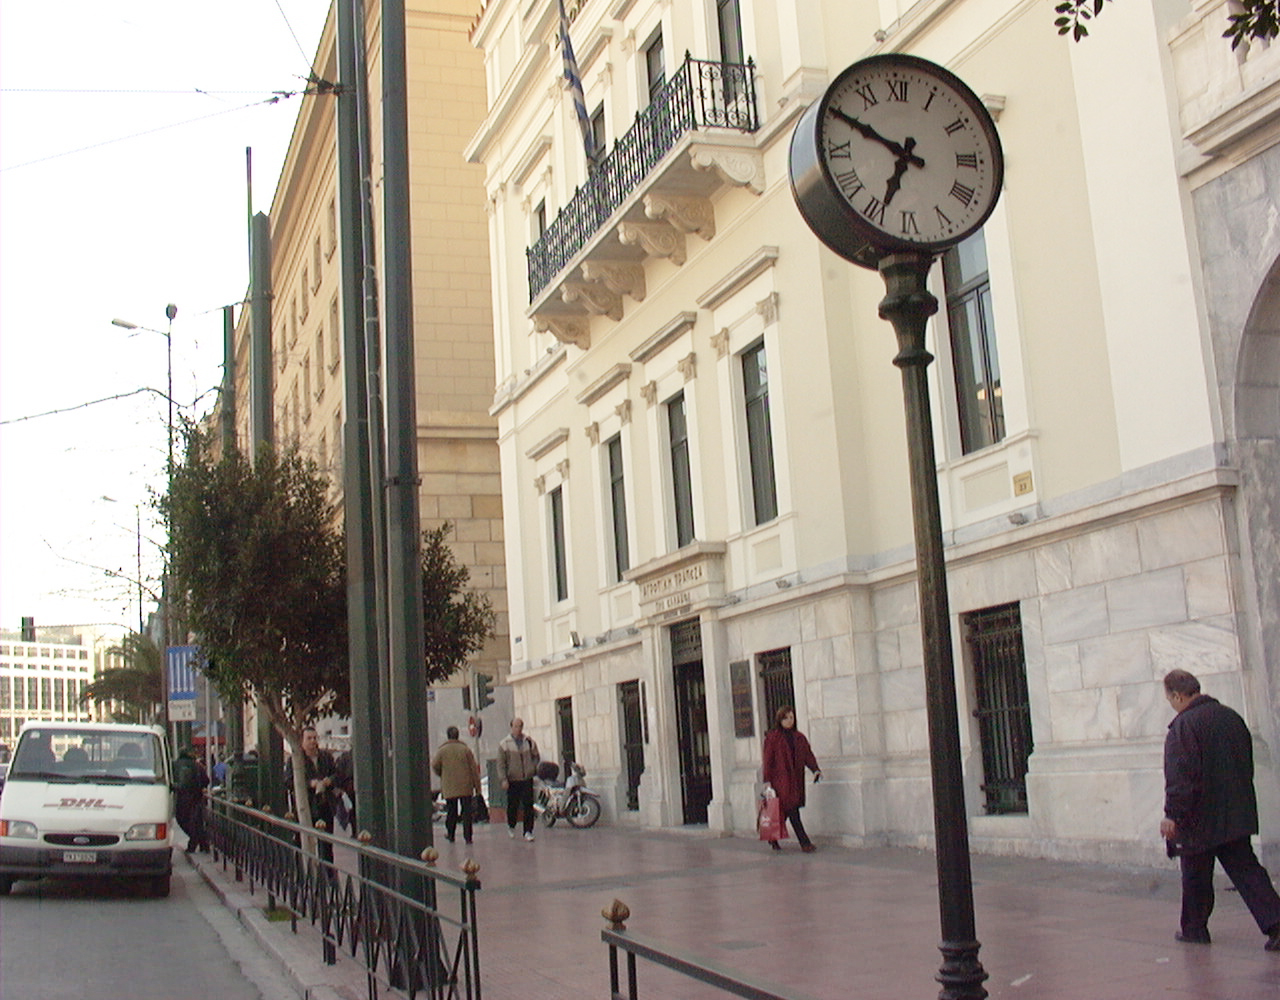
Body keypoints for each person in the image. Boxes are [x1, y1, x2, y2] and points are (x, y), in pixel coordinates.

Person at [1161, 669, 1280, 950]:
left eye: (1169, 698)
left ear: (1178, 695)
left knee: (1195, 875)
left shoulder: (1183, 727)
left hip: (1199, 817)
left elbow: (1181, 777)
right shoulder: (1231, 717)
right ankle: (1276, 923)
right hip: (1235, 811)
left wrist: (1172, 814)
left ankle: (1194, 928)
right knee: (1247, 871)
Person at [761, 705, 822, 853]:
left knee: (785, 811)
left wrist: (815, 769)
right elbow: (768, 761)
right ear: (779, 720)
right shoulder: (773, 737)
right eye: (786, 718)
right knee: (792, 810)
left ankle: (773, 838)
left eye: (791, 717)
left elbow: (807, 755)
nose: (789, 721)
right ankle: (805, 843)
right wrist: (767, 783)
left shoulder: (799, 737)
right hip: (780, 782)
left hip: (795, 780)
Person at [286, 726, 338, 862]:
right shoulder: (295, 759)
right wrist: (310, 784)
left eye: (315, 738)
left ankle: (328, 876)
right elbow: (288, 781)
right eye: (309, 738)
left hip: (324, 805)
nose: (313, 741)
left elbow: (337, 774)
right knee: (301, 841)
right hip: (306, 805)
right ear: (302, 741)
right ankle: (302, 873)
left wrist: (329, 781)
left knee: (326, 845)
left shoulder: (326, 757)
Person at [432, 726, 483, 845]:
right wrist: (477, 787)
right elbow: (473, 770)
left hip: (449, 786)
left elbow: (434, 765)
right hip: (466, 786)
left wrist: (442, 773)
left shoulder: (442, 751)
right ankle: (468, 837)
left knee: (452, 811)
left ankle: (451, 834)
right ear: (458, 735)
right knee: (466, 812)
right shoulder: (465, 750)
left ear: (448, 735)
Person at [497, 718, 540, 841]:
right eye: (516, 726)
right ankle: (511, 825)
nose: (518, 729)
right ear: (511, 727)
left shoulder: (529, 741)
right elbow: (501, 764)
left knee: (528, 805)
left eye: (520, 726)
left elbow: (536, 756)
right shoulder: (505, 744)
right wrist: (503, 779)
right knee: (513, 805)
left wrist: (533, 767)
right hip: (513, 779)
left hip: (527, 778)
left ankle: (528, 831)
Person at [173, 745, 210, 853]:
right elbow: (206, 781)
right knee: (196, 822)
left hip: (181, 798)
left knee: (183, 820)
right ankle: (202, 843)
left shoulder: (175, 765)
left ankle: (195, 842)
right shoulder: (197, 766)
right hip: (196, 798)